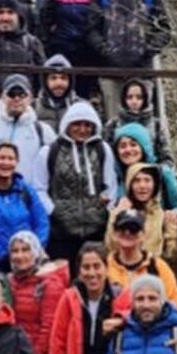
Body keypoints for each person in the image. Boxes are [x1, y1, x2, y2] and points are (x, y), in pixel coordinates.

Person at [49, 241, 125, 354]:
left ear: (106, 268)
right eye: (86, 267)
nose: (92, 273)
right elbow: (58, 344)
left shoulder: (119, 296)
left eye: (97, 266)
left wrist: (120, 322)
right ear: (79, 271)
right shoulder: (69, 298)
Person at [44, 104, 116, 265]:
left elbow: (110, 184)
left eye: (87, 125)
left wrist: (105, 208)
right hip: (61, 233)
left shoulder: (102, 149)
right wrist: (53, 210)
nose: (82, 129)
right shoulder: (51, 151)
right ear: (67, 125)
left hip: (95, 232)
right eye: (77, 124)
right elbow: (39, 187)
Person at [95, 0, 170, 101]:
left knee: (142, 120)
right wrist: (105, 51)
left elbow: (163, 29)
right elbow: (92, 29)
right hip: (110, 72)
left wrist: (146, 52)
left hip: (142, 72)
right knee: (114, 120)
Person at [0, 144, 52, 270]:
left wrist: (33, 249)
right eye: (1, 158)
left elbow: (42, 222)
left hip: (29, 262)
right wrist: (3, 255)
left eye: (10, 158)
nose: (6, 162)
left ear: (16, 162)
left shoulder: (26, 190)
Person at [0, 75, 55, 189]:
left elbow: (55, 169)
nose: (16, 98)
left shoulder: (44, 131)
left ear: (30, 98)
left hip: (28, 201)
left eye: (22, 94)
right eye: (11, 93)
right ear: (2, 97)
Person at [6, 233, 70, 354]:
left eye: (25, 250)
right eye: (15, 251)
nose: (20, 256)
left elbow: (48, 328)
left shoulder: (49, 283)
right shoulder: (8, 282)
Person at [105, 212, 177, 313]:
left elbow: (175, 305)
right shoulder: (104, 266)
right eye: (122, 229)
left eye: (134, 229)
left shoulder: (158, 267)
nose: (127, 232)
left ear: (143, 235)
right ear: (114, 234)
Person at [110, 161, 177, 262]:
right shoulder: (120, 211)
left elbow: (172, 253)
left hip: (152, 272)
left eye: (147, 180)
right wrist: (117, 215)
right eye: (137, 181)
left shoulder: (160, 215)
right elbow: (110, 246)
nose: (142, 186)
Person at [112, 120, 177, 209]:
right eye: (122, 146)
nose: (128, 150)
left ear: (144, 148)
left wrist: (170, 216)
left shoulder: (163, 173)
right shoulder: (115, 178)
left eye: (133, 145)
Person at [107, 75, 174, 169]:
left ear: (145, 99)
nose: (134, 101)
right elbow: (107, 156)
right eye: (130, 97)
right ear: (124, 99)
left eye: (139, 97)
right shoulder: (113, 124)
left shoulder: (156, 125)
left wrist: (154, 171)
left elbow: (167, 157)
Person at [36, 55, 78, 127]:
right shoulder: (33, 107)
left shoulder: (80, 106)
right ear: (45, 81)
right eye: (53, 78)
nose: (59, 83)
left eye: (63, 78)